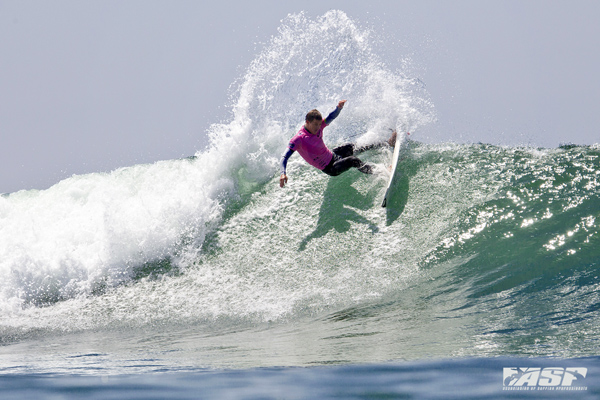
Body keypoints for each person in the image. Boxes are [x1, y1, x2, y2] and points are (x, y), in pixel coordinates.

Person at [279, 100, 396, 188]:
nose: (318, 128)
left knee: (353, 146)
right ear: (307, 122)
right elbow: (284, 157)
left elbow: (330, 117)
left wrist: (338, 108)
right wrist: (283, 173)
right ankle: (380, 172)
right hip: (330, 167)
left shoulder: (318, 126)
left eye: (320, 125)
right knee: (352, 160)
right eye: (315, 125)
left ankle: (387, 143)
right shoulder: (299, 139)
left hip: (332, 155)